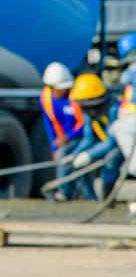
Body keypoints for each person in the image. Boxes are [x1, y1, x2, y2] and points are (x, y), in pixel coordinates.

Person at [69, 73, 124, 200]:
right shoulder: (89, 113)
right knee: (80, 165)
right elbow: (88, 138)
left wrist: (89, 155)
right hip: (104, 143)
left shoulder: (115, 109)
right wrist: (76, 154)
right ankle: (91, 199)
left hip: (121, 145)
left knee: (111, 160)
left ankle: (107, 197)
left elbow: (113, 141)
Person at [39, 62, 84, 200]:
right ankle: (67, 192)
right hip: (63, 140)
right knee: (61, 156)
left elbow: (84, 124)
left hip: (79, 137)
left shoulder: (75, 97)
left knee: (67, 157)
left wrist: (68, 136)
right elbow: (48, 123)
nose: (63, 91)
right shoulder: (46, 99)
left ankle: (64, 192)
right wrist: (54, 146)